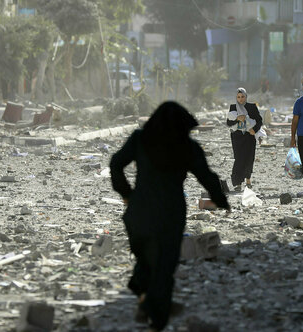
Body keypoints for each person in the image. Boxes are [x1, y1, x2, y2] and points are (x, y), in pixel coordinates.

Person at [110, 102, 230, 331]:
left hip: (139, 213)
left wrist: (127, 194)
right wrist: (222, 200)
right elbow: (206, 176)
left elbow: (116, 165)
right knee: (164, 267)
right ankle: (157, 318)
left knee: (146, 260)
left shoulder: (139, 139)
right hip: (170, 215)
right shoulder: (187, 147)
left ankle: (145, 298)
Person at [226, 88, 263, 191]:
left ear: (246, 96)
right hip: (237, 136)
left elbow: (259, 121)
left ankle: (248, 180)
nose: (241, 99)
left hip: (249, 136)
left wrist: (254, 130)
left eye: (242, 97)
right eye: (238, 97)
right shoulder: (233, 107)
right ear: (236, 98)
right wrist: (237, 119)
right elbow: (229, 123)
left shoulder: (252, 107)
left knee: (249, 158)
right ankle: (237, 183)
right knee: (238, 159)